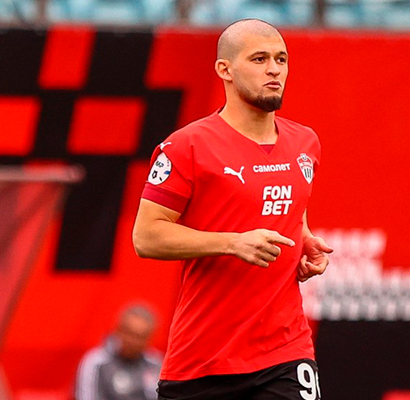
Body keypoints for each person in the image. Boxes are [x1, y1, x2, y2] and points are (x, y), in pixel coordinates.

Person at [132, 19, 332, 400]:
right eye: (259, 59)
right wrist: (232, 243)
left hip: (285, 352)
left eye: (281, 59)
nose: (274, 69)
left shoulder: (305, 142)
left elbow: (293, 205)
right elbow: (146, 236)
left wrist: (304, 239)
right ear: (225, 69)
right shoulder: (187, 146)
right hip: (203, 360)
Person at [75, 305, 162, 400]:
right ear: (118, 330)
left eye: (140, 337)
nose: (133, 341)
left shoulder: (155, 364)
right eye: (129, 333)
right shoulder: (96, 363)